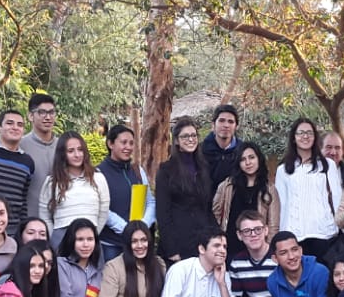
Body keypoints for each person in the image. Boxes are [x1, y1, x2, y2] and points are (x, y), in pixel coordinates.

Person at [276, 119, 343, 259]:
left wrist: (339, 226)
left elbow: (337, 198)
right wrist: (281, 235)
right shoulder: (283, 170)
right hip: (295, 235)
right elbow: (282, 204)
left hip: (325, 234)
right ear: (294, 138)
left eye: (309, 133)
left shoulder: (328, 165)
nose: (305, 136)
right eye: (300, 133)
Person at [155, 118, 214, 263]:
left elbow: (208, 208)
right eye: (185, 136)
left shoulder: (204, 167)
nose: (191, 139)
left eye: (193, 135)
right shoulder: (166, 170)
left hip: (202, 242)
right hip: (178, 242)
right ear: (176, 140)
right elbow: (163, 213)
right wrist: (171, 249)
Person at [40, 131, 109, 248]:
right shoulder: (52, 181)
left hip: (90, 239)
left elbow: (104, 211)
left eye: (80, 149)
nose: (77, 155)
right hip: (61, 239)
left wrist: (93, 235)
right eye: (71, 151)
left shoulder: (98, 178)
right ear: (62, 154)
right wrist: (54, 238)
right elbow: (44, 214)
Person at [96, 124, 156, 261]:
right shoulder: (99, 173)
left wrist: (142, 226)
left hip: (139, 243)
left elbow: (150, 201)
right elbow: (101, 208)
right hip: (111, 245)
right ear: (110, 144)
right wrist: (126, 229)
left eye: (131, 143)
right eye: (123, 142)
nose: (128, 147)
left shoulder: (137, 171)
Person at [212, 141, 280, 253]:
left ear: (259, 159)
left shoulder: (269, 189)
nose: (248, 162)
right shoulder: (227, 186)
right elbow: (215, 217)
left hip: (258, 249)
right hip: (230, 246)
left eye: (251, 157)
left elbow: (273, 226)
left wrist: (268, 251)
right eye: (243, 159)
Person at [0, 109, 34, 238]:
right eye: (10, 123)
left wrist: (22, 228)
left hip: (13, 230)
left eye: (20, 125)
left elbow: (23, 199)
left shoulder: (27, 162)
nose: (15, 127)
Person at [21, 94, 60, 218]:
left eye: (51, 112)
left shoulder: (63, 146)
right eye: (42, 112)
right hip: (30, 219)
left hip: (59, 218)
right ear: (31, 116)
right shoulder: (20, 145)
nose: (48, 117)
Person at [201, 104, 243, 196]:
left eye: (230, 122)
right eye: (221, 121)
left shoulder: (243, 152)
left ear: (236, 126)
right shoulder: (200, 151)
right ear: (213, 125)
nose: (226, 125)